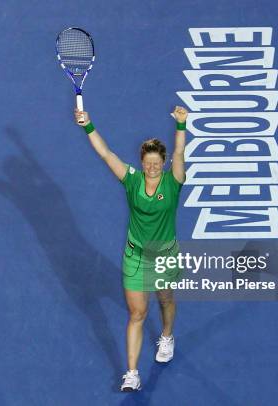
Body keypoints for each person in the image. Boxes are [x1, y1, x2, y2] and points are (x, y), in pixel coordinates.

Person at [74, 106, 188, 392]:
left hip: (164, 257)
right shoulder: (132, 180)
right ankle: (132, 373)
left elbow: (180, 154)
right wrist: (88, 125)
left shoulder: (174, 182)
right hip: (135, 256)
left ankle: (167, 335)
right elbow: (106, 154)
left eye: (156, 162)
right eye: (147, 162)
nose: (151, 166)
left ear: (163, 163)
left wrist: (181, 126)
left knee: (165, 300)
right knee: (137, 314)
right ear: (141, 162)